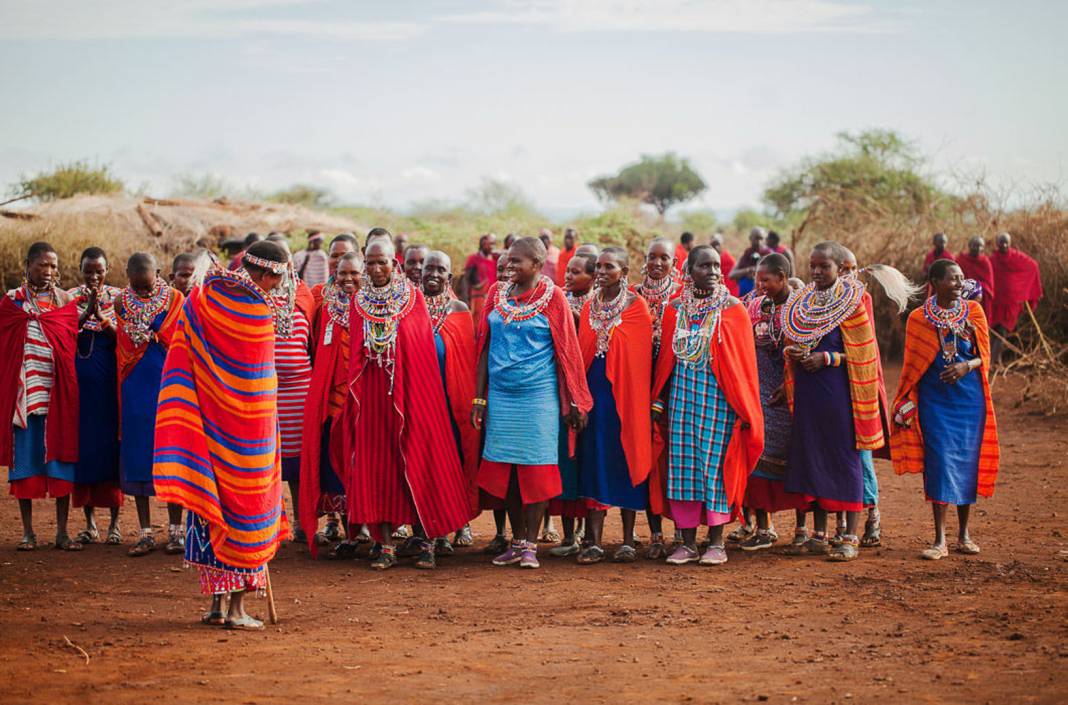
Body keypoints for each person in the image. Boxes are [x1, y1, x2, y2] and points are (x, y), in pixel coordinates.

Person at [154, 241, 292, 630]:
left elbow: (184, 358)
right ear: (266, 274)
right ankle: (235, 610)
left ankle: (217, 606)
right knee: (244, 512)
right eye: (280, 277)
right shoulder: (255, 309)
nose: (281, 285)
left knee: (213, 506)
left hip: (207, 429)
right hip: (247, 435)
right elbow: (256, 376)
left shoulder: (201, 299)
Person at [335, 235, 472, 570]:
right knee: (375, 468)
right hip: (371, 400)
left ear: (394, 264)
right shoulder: (358, 303)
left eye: (382, 262)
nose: (376, 268)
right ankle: (384, 545)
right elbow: (356, 357)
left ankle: (425, 539)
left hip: (412, 396)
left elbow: (421, 352)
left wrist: (418, 399)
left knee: (418, 461)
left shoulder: (411, 298)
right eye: (370, 263)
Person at [782, 242, 917, 561]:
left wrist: (826, 357)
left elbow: (865, 355)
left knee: (846, 460)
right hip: (809, 393)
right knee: (813, 457)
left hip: (841, 395)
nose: (816, 272)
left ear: (840, 267)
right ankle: (819, 534)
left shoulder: (853, 301)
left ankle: (850, 536)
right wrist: (795, 354)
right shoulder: (802, 300)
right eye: (812, 266)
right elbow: (791, 339)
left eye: (823, 267)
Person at [473, 237, 592, 570]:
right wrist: (479, 398)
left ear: (538, 265)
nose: (510, 267)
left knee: (535, 471)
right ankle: (516, 540)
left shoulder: (553, 297)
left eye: (518, 262)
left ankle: (531, 546)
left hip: (538, 398)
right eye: (509, 261)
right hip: (501, 398)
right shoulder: (496, 295)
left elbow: (568, 350)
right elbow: (483, 347)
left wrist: (574, 401)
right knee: (508, 471)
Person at [650, 245, 763, 566]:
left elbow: (743, 369)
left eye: (716, 266)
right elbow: (665, 364)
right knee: (683, 467)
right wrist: (659, 402)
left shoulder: (733, 310)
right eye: (705, 266)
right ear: (688, 272)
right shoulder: (674, 309)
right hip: (682, 403)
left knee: (714, 467)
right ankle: (686, 543)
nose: (713, 272)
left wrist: (743, 410)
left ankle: (716, 542)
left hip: (719, 404)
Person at [891, 259, 999, 560]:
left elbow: (985, 357)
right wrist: (907, 400)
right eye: (952, 279)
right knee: (939, 464)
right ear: (935, 282)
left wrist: (967, 365)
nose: (959, 284)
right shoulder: (918, 318)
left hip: (969, 399)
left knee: (967, 463)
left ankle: (964, 534)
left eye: (961, 278)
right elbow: (913, 367)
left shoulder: (974, 312)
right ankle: (940, 540)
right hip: (935, 401)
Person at [574, 247, 654, 564]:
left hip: (626, 399)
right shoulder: (589, 306)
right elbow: (581, 352)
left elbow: (639, 360)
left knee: (625, 459)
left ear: (624, 271)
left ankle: (627, 541)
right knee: (594, 461)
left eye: (610, 266)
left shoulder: (637, 308)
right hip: (594, 397)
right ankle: (592, 541)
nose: (602, 271)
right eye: (598, 266)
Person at [1, 242, 81, 551]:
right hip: (24, 396)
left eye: (53, 266)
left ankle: (62, 532)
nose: (48, 272)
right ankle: (28, 532)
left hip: (57, 393)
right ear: (28, 266)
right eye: (42, 265)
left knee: (60, 461)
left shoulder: (65, 303)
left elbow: (68, 343)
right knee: (24, 463)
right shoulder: (12, 303)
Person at [114, 253, 185, 557]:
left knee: (172, 454)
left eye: (147, 286)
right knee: (138, 455)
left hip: (170, 383)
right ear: (127, 275)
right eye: (137, 287)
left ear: (158, 273)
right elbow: (122, 343)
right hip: (134, 385)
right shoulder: (119, 302)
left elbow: (182, 340)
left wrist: (156, 335)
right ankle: (144, 533)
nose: (143, 293)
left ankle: (176, 532)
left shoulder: (176, 299)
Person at [738, 254, 806, 551]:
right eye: (757, 279)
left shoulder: (803, 310)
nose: (760, 285)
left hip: (794, 395)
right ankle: (764, 528)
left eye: (765, 279)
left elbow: (806, 350)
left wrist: (787, 384)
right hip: (761, 395)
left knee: (801, 461)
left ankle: (803, 529)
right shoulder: (756, 306)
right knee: (756, 457)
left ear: (782, 276)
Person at [299, 252, 363, 558]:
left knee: (364, 464)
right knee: (338, 464)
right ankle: (350, 532)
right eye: (342, 273)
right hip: (334, 401)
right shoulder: (325, 307)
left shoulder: (379, 306)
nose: (348, 279)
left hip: (366, 402)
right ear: (333, 275)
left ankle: (376, 534)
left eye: (354, 273)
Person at [421, 251, 481, 559]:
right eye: (428, 267)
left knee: (455, 462)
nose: (433, 273)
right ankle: (433, 530)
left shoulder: (459, 311)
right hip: (421, 404)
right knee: (427, 466)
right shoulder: (409, 307)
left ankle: (459, 524)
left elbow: (467, 364)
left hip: (451, 402)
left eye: (440, 269)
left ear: (449, 276)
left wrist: (470, 403)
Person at [630, 237, 682, 559]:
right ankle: (655, 535)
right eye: (652, 257)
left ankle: (679, 531)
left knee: (673, 459)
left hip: (676, 388)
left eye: (665, 258)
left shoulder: (683, 297)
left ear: (675, 263)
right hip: (637, 387)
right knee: (647, 459)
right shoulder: (631, 296)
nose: (657, 263)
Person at [68, 247, 124, 545]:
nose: (93, 276)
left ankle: (115, 524)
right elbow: (64, 333)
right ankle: (89, 523)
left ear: (108, 269)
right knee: (85, 451)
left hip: (108, 386)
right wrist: (85, 310)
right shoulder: (68, 297)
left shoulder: (119, 297)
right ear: (80, 270)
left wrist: (100, 314)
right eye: (88, 271)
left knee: (111, 450)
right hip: (81, 387)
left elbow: (122, 338)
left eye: (98, 271)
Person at [547, 248, 599, 557]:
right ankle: (568, 537)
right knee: (564, 462)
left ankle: (586, 534)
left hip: (589, 394)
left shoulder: (600, 308)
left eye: (577, 272)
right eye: (568, 271)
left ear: (593, 277)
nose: (568, 276)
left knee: (585, 462)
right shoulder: (557, 301)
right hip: (558, 393)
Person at [270, 252, 317, 544]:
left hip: (302, 392)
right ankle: (272, 523)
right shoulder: (254, 297)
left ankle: (302, 520)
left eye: (283, 262)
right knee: (270, 460)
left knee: (300, 462)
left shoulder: (304, 296)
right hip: (268, 394)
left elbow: (313, 344)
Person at [989, 232, 1043, 364]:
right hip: (995, 303)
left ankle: (990, 363)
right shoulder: (991, 260)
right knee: (996, 331)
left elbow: (1033, 266)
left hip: (1011, 303)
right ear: (997, 243)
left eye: (1006, 242)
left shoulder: (1016, 257)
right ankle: (995, 362)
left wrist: (1022, 291)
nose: (1004, 245)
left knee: (1002, 332)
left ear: (1010, 243)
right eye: (1001, 242)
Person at [311, 233, 359, 305]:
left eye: (345, 255)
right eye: (334, 256)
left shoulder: (368, 295)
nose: (339, 260)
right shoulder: (317, 293)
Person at [956, 236, 996, 321]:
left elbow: (989, 286)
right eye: (975, 245)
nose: (978, 248)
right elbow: (954, 278)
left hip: (980, 299)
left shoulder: (985, 262)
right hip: (962, 297)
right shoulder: (961, 260)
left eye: (981, 246)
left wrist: (974, 286)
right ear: (969, 246)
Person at [463, 233, 498, 320]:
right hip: (478, 299)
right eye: (490, 244)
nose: (492, 247)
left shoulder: (495, 259)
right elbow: (466, 279)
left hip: (493, 299)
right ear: (483, 243)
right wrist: (466, 300)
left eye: (494, 244)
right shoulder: (473, 259)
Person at [729, 227, 769, 297]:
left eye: (761, 238)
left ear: (765, 240)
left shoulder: (769, 254)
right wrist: (749, 270)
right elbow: (732, 274)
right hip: (744, 295)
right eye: (756, 238)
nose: (759, 242)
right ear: (750, 238)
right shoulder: (747, 254)